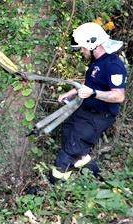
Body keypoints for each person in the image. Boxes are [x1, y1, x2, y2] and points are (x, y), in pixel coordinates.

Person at [52, 22, 126, 182]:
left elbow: (119, 96)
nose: (81, 51)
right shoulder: (96, 61)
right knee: (68, 134)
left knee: (71, 148)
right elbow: (90, 83)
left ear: (93, 45)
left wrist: (93, 93)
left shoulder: (113, 65)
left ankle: (53, 185)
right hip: (86, 110)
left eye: (83, 47)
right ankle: (96, 176)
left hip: (100, 115)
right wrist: (70, 93)